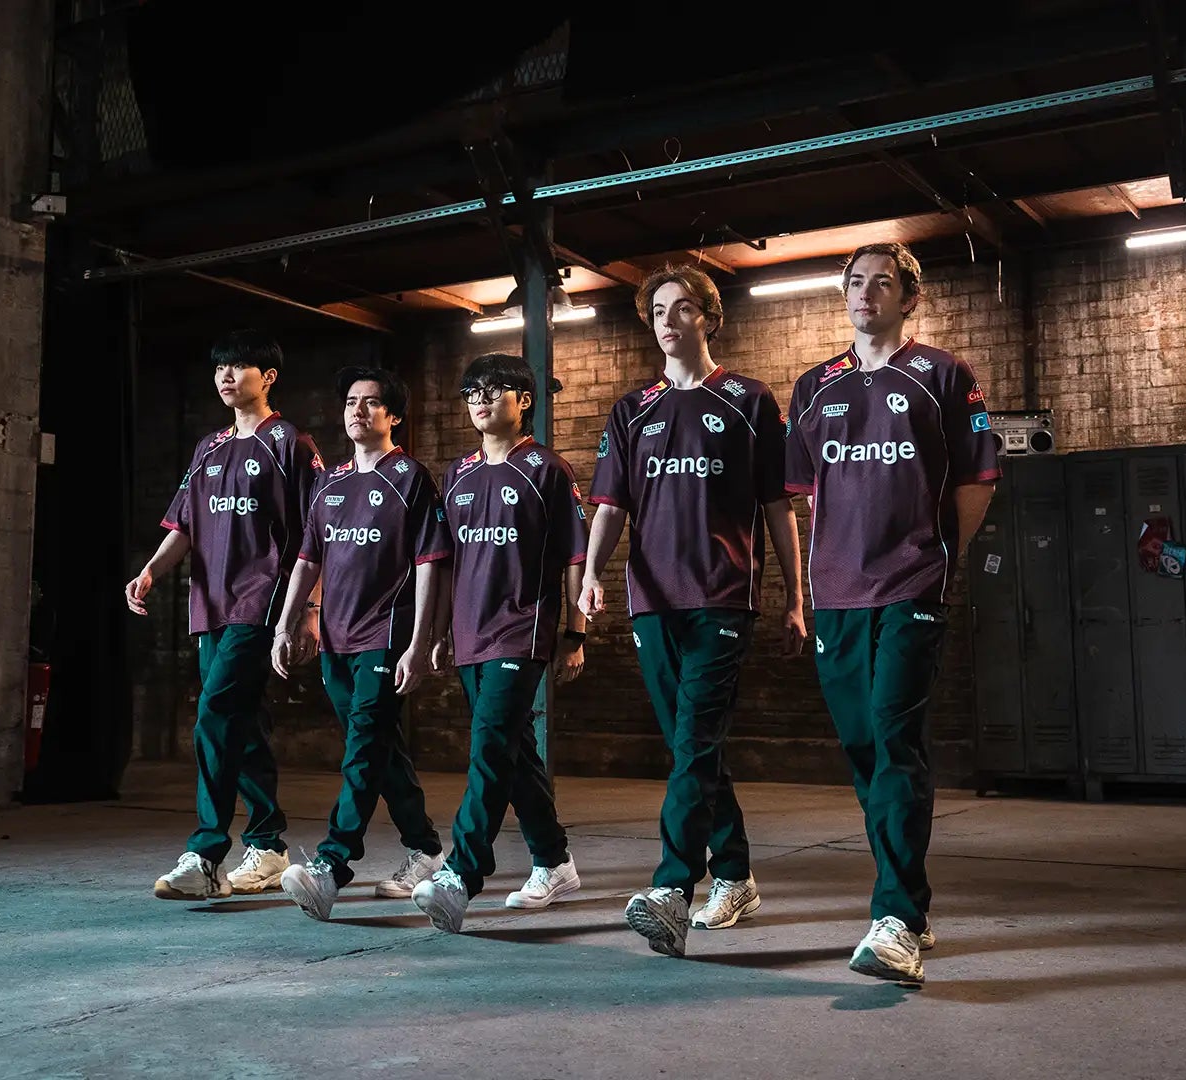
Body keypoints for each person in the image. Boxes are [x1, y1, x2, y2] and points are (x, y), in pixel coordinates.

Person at [784, 242, 999, 985]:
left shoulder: (943, 375)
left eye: (882, 283)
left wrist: (940, 559)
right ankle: (908, 901)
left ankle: (897, 919)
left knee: (895, 738)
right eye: (855, 282)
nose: (865, 293)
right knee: (863, 748)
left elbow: (977, 478)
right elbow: (801, 492)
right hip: (837, 593)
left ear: (910, 298)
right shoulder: (814, 386)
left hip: (911, 586)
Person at [580, 266, 808, 958]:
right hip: (652, 601)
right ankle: (734, 874)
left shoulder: (749, 399)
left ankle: (672, 889)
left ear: (709, 317)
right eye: (658, 312)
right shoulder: (632, 409)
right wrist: (590, 575)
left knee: (696, 740)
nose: (669, 321)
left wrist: (795, 596)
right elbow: (610, 507)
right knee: (693, 747)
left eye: (682, 308)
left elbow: (779, 507)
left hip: (723, 595)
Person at [129, 330, 322, 900]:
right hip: (209, 605)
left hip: (262, 602)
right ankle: (267, 843)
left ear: (269, 377)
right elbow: (184, 524)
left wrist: (309, 610)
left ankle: (205, 853)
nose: (227, 376)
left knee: (214, 713)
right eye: (220, 368)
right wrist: (151, 571)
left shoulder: (290, 443)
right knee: (243, 720)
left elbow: (318, 534)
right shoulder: (208, 448)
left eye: (240, 367)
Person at [411, 353, 589, 933]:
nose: (480, 401)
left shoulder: (547, 470)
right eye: (472, 393)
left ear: (524, 401)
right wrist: (438, 632)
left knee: (489, 747)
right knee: (513, 753)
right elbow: (444, 562)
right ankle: (554, 861)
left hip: (522, 629)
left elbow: (575, 556)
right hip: (470, 634)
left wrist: (574, 633)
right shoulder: (457, 475)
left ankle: (460, 875)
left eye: (493, 390)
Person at [273, 366, 452, 921]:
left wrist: (421, 642)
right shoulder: (330, 483)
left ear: (393, 415)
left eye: (372, 402)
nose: (358, 410)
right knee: (378, 747)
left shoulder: (410, 478)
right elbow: (308, 560)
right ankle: (425, 848)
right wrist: (286, 624)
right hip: (336, 638)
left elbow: (431, 564)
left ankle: (332, 866)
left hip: (386, 635)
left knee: (363, 748)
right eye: (352, 401)